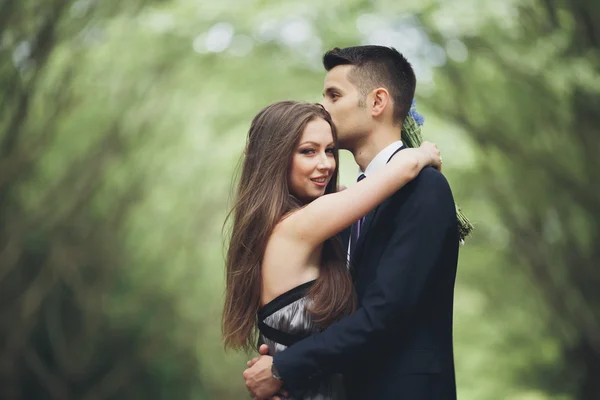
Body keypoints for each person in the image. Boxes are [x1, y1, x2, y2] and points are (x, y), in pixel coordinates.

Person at [242, 46, 460, 400]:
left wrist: (285, 368)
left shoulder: (424, 187)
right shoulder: (344, 203)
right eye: (308, 151)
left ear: (377, 102)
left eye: (334, 94)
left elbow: (384, 315)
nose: (323, 106)